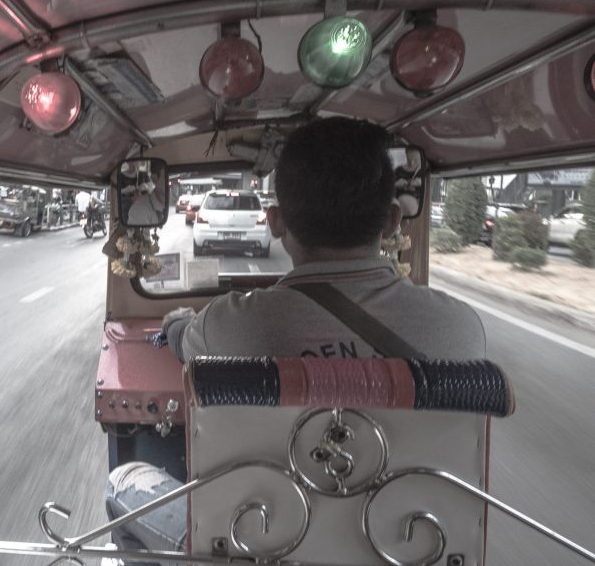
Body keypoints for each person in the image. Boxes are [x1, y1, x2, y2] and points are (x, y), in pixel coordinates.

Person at [106, 117, 487, 560]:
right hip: (413, 550)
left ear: (275, 222)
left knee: (124, 480)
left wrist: (176, 322)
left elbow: (181, 342)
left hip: (252, 547)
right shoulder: (461, 330)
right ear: (391, 221)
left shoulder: (231, 324)